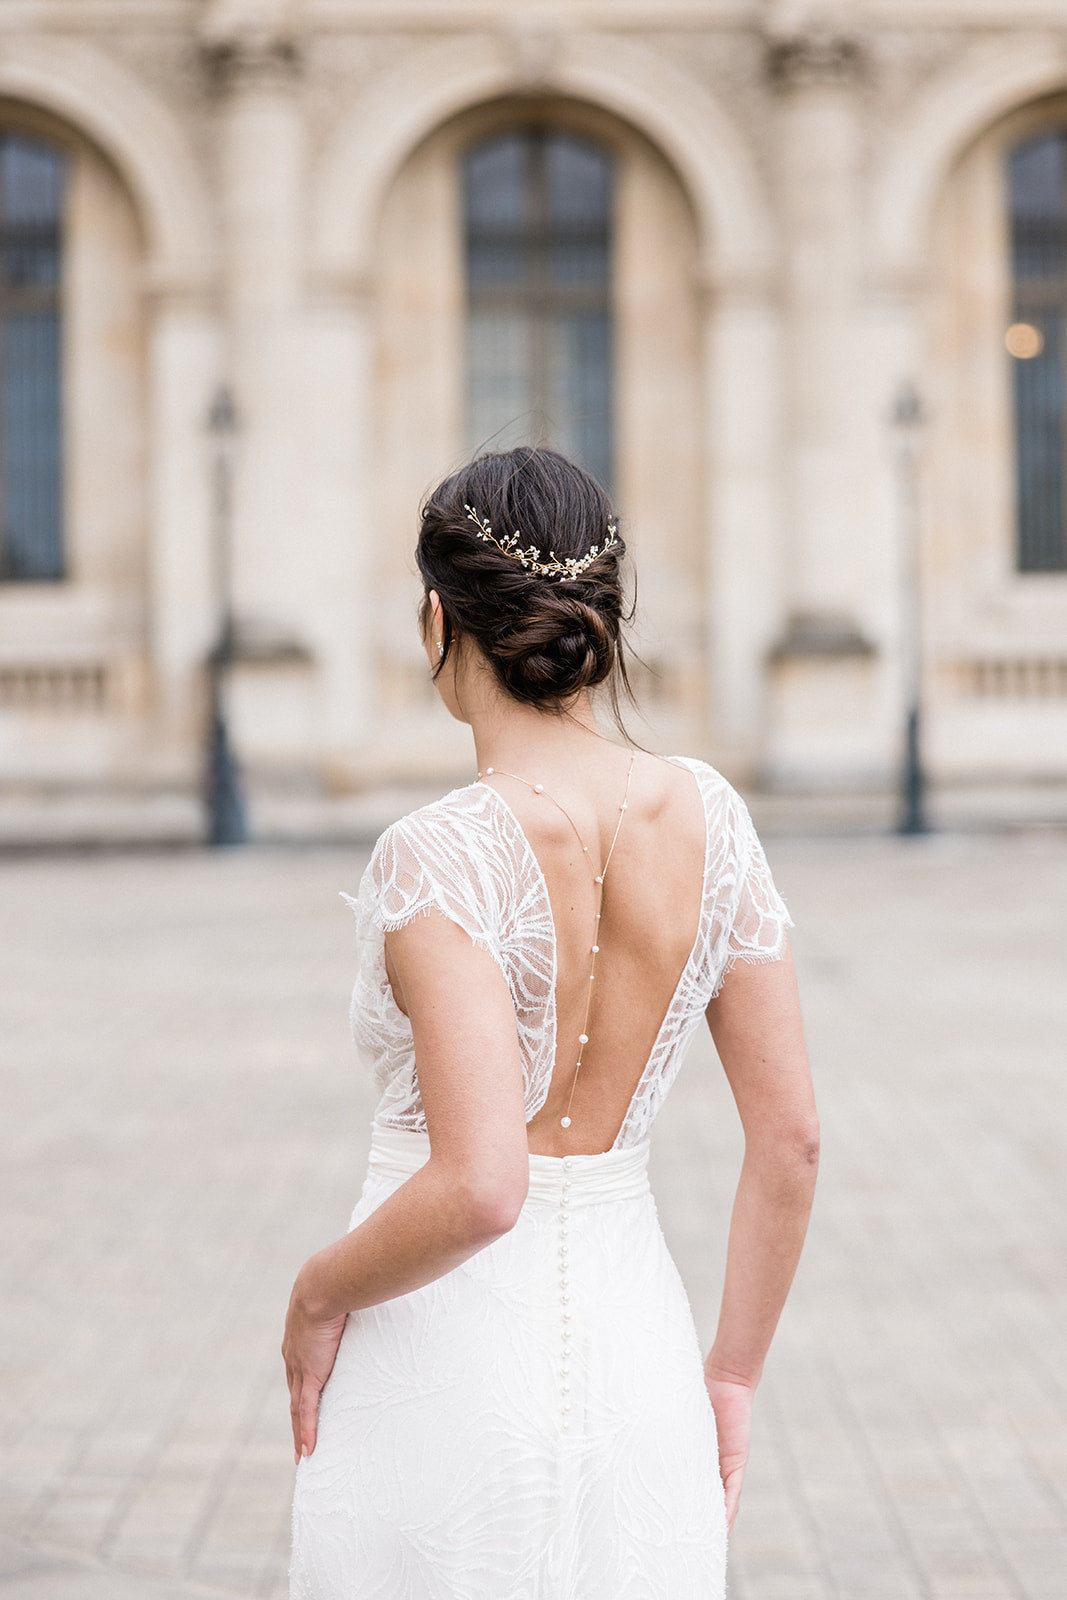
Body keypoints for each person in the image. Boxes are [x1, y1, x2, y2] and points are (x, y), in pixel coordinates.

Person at [285, 447, 818, 1600]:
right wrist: (727, 1377)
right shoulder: (712, 818)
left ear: (437, 620)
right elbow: (790, 1142)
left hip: (439, 1356)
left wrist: (317, 1291)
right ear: (604, 617)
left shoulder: (437, 853)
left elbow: (482, 1185)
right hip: (641, 1357)